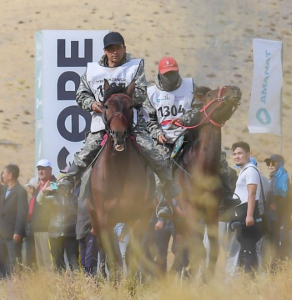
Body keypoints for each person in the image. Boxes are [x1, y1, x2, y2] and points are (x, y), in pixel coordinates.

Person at [57, 32, 180, 205]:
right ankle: (68, 180)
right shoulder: (92, 71)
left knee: (151, 150)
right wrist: (91, 103)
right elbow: (81, 94)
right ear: (105, 51)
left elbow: (141, 92)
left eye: (118, 48)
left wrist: (122, 98)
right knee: (87, 151)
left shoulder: (134, 67)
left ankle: (168, 183)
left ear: (124, 49)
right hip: (103, 121)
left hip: (131, 122)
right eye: (110, 49)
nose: (115, 52)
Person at [144, 57, 234, 217]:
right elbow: (149, 120)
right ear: (160, 74)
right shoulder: (151, 93)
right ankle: (164, 203)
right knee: (160, 163)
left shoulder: (190, 86)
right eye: (167, 74)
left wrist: (183, 119)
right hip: (165, 139)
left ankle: (227, 194)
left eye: (173, 72)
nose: (170, 76)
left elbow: (200, 107)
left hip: (189, 134)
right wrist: (157, 134)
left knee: (218, 155)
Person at [231, 141, 264, 274]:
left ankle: (251, 281)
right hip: (241, 212)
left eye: (240, 153)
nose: (237, 156)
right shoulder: (244, 170)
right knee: (245, 248)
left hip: (247, 212)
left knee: (248, 250)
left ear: (248, 154)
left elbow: (252, 193)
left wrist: (249, 215)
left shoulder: (251, 170)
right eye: (234, 154)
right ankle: (246, 281)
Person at [0, 164, 28, 278]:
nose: (2, 175)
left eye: (4, 173)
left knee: (14, 262)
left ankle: (15, 287)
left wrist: (18, 231)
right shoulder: (4, 189)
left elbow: (22, 213)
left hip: (13, 234)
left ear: (10, 175)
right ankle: (1, 283)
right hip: (1, 233)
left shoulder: (20, 191)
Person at [37, 179, 79, 271]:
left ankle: (76, 282)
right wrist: (44, 190)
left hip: (70, 234)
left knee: (74, 262)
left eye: (65, 186)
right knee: (57, 261)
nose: (63, 188)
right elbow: (40, 200)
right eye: (61, 185)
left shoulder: (75, 198)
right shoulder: (54, 197)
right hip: (54, 233)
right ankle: (60, 281)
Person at [264, 154, 290, 264]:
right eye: (268, 164)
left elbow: (286, 199)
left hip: (279, 218)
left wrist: (276, 205)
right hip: (273, 217)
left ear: (280, 164)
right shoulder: (274, 177)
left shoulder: (282, 177)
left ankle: (276, 268)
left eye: (273, 163)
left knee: (277, 243)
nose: (270, 166)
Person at [31, 159, 57, 270]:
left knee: (48, 261)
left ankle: (52, 284)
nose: (41, 171)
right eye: (39, 169)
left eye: (43, 169)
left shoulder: (55, 184)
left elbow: (56, 202)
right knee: (40, 262)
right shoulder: (38, 185)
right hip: (37, 227)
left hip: (47, 228)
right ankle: (44, 285)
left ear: (50, 170)